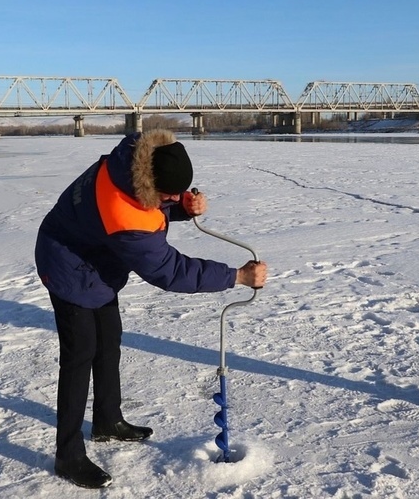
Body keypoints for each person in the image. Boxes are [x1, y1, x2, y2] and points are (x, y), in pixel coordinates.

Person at [34, 129, 267, 488]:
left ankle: (107, 421)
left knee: (109, 341)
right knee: (81, 354)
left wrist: (181, 207)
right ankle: (68, 455)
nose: (174, 198)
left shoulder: (133, 158)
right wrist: (237, 276)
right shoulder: (125, 214)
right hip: (68, 265)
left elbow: (152, 200)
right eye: (169, 195)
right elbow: (171, 271)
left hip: (96, 260)